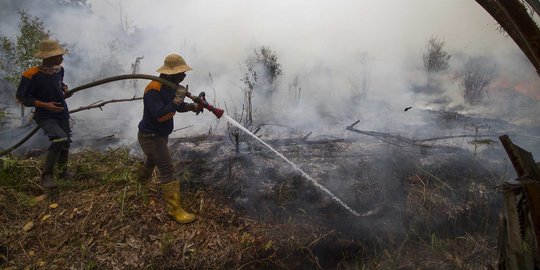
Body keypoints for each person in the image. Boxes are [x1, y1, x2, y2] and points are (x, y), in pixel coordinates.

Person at [137, 53, 203, 224]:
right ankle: (175, 211)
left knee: (152, 160)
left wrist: (191, 106)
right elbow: (160, 114)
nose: (184, 76)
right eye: (181, 73)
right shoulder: (154, 89)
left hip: (160, 134)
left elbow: (177, 106)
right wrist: (177, 100)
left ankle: (140, 186)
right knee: (167, 168)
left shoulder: (169, 87)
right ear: (170, 74)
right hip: (150, 136)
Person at [16, 39, 72, 189]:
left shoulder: (59, 70)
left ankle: (63, 172)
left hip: (62, 112)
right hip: (45, 115)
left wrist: (65, 90)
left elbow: (60, 83)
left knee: (66, 142)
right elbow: (22, 97)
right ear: (48, 57)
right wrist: (43, 105)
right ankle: (47, 177)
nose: (61, 58)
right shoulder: (31, 75)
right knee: (59, 139)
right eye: (58, 55)